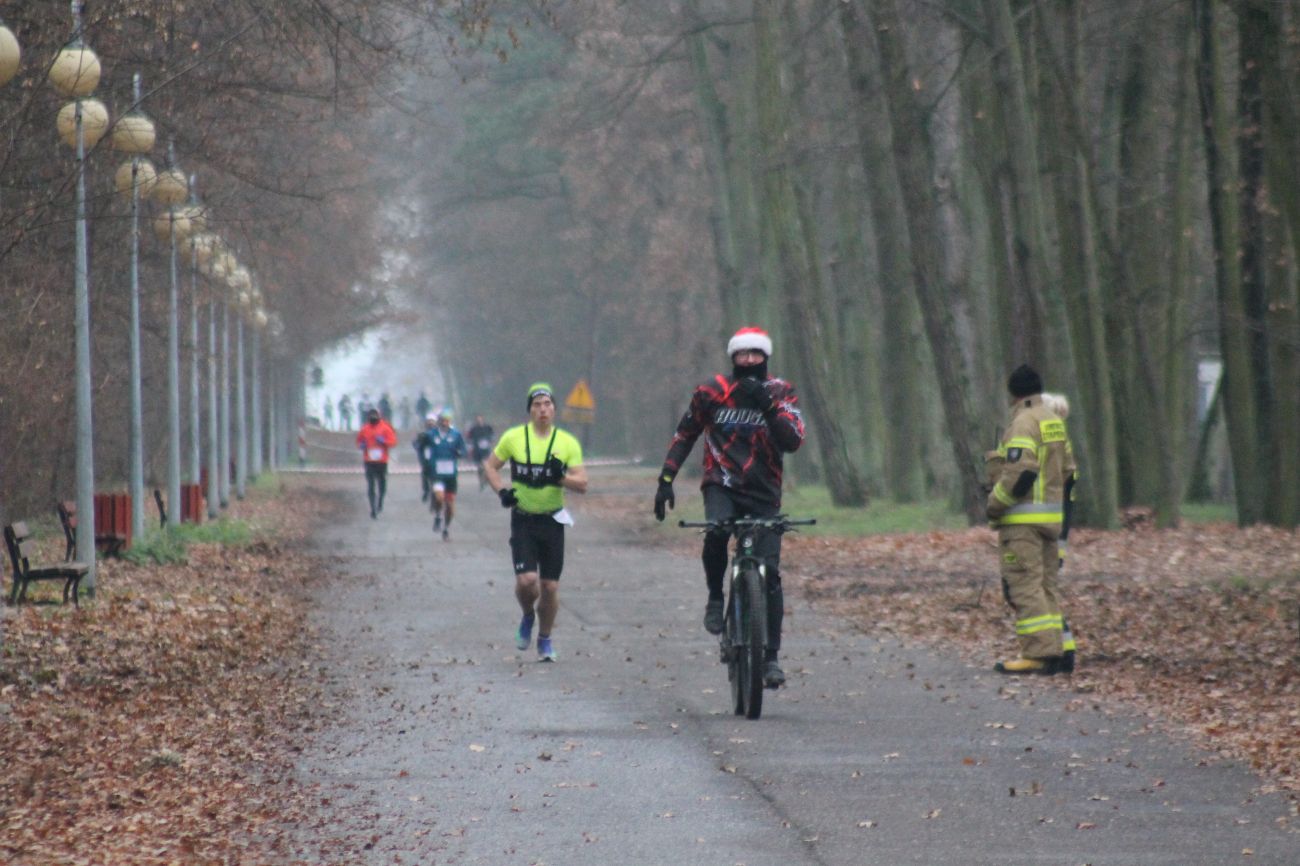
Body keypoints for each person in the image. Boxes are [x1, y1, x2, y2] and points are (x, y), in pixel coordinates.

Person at [652, 326, 805, 688]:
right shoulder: (711, 391)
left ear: (766, 357)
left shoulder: (782, 392)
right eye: (742, 354)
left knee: (770, 575)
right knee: (717, 532)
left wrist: (767, 406)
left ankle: (770, 659)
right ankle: (715, 597)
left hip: (765, 491)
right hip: (721, 483)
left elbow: (793, 441)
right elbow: (685, 434)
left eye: (756, 354)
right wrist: (665, 480)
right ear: (732, 357)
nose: (749, 360)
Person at [483, 383, 588, 662]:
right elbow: (490, 466)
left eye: (547, 404)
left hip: (553, 521)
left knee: (550, 587)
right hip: (524, 520)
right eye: (537, 405)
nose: (543, 410)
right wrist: (502, 491)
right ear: (530, 410)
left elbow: (583, 484)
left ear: (554, 409)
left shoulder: (567, 443)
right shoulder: (514, 437)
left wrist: (560, 478)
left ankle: (545, 638)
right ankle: (528, 615)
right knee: (528, 581)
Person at [987, 365, 1072, 675]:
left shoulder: (1023, 422)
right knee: (1046, 586)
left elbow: (1021, 472)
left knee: (1024, 586)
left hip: (1022, 522)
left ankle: (1038, 654)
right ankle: (1060, 650)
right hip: (1051, 519)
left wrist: (996, 504)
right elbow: (1067, 473)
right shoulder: (1054, 422)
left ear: (1013, 393)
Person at [1040, 392, 1079, 672]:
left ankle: (1059, 651)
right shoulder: (1062, 450)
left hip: (1052, 534)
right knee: (1045, 591)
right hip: (1057, 532)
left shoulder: (1055, 453)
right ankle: (1063, 649)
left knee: (1043, 592)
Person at [418, 410, 468, 540]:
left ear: (450, 421)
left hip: (451, 474)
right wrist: (421, 442)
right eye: (442, 420)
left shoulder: (456, 435)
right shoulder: (431, 434)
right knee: (439, 497)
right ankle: (438, 515)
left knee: (450, 505)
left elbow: (463, 450)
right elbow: (420, 445)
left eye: (447, 420)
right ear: (439, 421)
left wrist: (460, 453)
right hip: (437, 473)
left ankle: (446, 528)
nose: (445, 422)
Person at [356, 407, 397, 519]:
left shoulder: (385, 428)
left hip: (382, 461)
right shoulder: (364, 429)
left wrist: (384, 441)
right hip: (369, 461)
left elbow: (393, 442)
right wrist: (361, 445)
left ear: (379, 416)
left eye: (375, 416)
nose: (373, 418)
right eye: (371, 416)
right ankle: (372, 508)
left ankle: (380, 501)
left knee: (382, 483)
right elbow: (359, 441)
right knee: (370, 484)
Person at [467, 414, 495, 491]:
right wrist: (470, 448)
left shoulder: (488, 427)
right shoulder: (473, 429)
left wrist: (491, 441)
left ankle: (486, 479)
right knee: (479, 468)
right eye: (478, 419)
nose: (479, 420)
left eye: (480, 419)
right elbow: (469, 439)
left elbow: (492, 436)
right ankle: (481, 481)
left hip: (486, 451)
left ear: (482, 419)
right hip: (477, 451)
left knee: (485, 466)